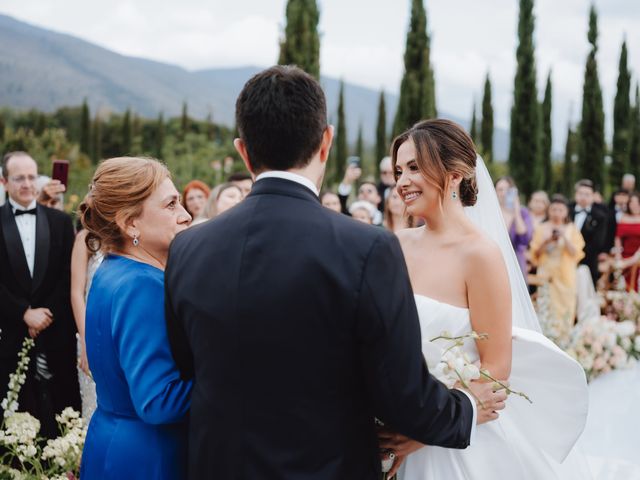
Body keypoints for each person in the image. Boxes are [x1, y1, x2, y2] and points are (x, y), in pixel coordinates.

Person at [164, 65, 506, 479]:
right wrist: (465, 408)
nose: (402, 182)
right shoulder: (366, 247)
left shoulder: (187, 248)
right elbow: (400, 390)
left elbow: (187, 365)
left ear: (242, 150)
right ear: (325, 141)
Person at [384, 120, 589, 479]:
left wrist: (421, 432)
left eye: (414, 167)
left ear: (456, 174)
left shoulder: (480, 255)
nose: (401, 181)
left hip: (452, 443)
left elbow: (496, 368)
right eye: (399, 170)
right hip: (392, 425)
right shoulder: (396, 245)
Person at [79, 157, 193, 479]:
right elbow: (158, 400)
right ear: (130, 223)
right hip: (148, 456)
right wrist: (226, 380)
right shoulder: (141, 285)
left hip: (113, 438)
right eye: (171, 205)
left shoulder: (112, 270)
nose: (185, 216)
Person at [0, 151, 80, 437]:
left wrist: (46, 314)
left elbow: (68, 275)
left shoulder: (59, 221)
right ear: (4, 181)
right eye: (18, 177)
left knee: (62, 412)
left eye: (32, 176)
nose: (26, 183)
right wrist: (23, 313)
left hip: (56, 330)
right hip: (9, 335)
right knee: (15, 414)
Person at [531, 195, 585, 335]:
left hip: (565, 276)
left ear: (566, 212)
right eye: (554, 209)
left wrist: (564, 237)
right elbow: (535, 254)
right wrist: (548, 240)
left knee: (565, 308)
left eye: (560, 210)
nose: (557, 213)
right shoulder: (541, 228)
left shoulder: (572, 229)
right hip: (545, 274)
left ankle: (564, 337)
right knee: (545, 307)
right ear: (549, 211)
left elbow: (576, 253)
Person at [70, 225, 103, 420]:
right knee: (93, 407)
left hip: (121, 332)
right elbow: (76, 293)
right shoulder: (85, 238)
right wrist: (86, 339)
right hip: (91, 332)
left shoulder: (130, 235)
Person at [570, 179, 609, 286]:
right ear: (575, 194)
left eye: (587, 194)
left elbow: (597, 243)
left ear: (593, 196)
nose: (583, 197)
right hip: (564, 262)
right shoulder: (566, 211)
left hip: (587, 263)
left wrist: (576, 254)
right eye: (580, 193)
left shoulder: (600, 216)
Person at [494, 176, 533, 281]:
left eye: (507, 189)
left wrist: (516, 211)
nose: (503, 193)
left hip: (516, 261)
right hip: (494, 259)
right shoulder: (492, 213)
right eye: (500, 189)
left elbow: (524, 239)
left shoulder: (523, 213)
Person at [614, 192, 640, 291]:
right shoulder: (624, 217)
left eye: (637, 203)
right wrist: (618, 254)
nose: (634, 206)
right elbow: (618, 238)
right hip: (625, 255)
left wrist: (633, 259)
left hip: (637, 256)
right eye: (632, 203)